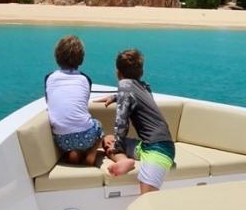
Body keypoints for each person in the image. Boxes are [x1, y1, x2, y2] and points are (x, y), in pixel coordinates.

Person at [101, 49, 175, 194]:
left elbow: (121, 122)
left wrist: (118, 146)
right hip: (147, 146)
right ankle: (124, 161)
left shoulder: (124, 85)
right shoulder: (145, 87)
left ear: (118, 72)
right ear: (141, 72)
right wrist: (116, 97)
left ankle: (122, 159)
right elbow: (136, 96)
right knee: (107, 139)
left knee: (146, 202)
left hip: (158, 150)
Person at [44, 35, 103, 166]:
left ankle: (75, 153)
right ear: (81, 59)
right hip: (86, 137)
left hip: (61, 140)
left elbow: (49, 102)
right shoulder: (85, 79)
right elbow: (83, 104)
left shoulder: (49, 78)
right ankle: (91, 153)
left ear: (57, 57)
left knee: (72, 131)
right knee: (98, 125)